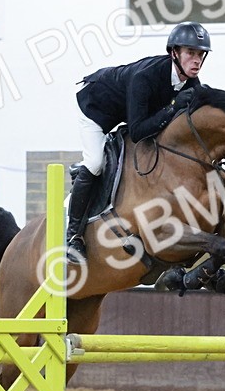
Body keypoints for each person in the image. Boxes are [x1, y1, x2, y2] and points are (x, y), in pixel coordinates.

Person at [66, 21, 212, 264]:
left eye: (200, 54)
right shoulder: (145, 77)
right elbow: (138, 131)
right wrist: (174, 106)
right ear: (174, 53)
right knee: (95, 163)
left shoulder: (190, 83)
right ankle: (73, 237)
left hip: (126, 113)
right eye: (190, 53)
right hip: (96, 108)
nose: (196, 60)